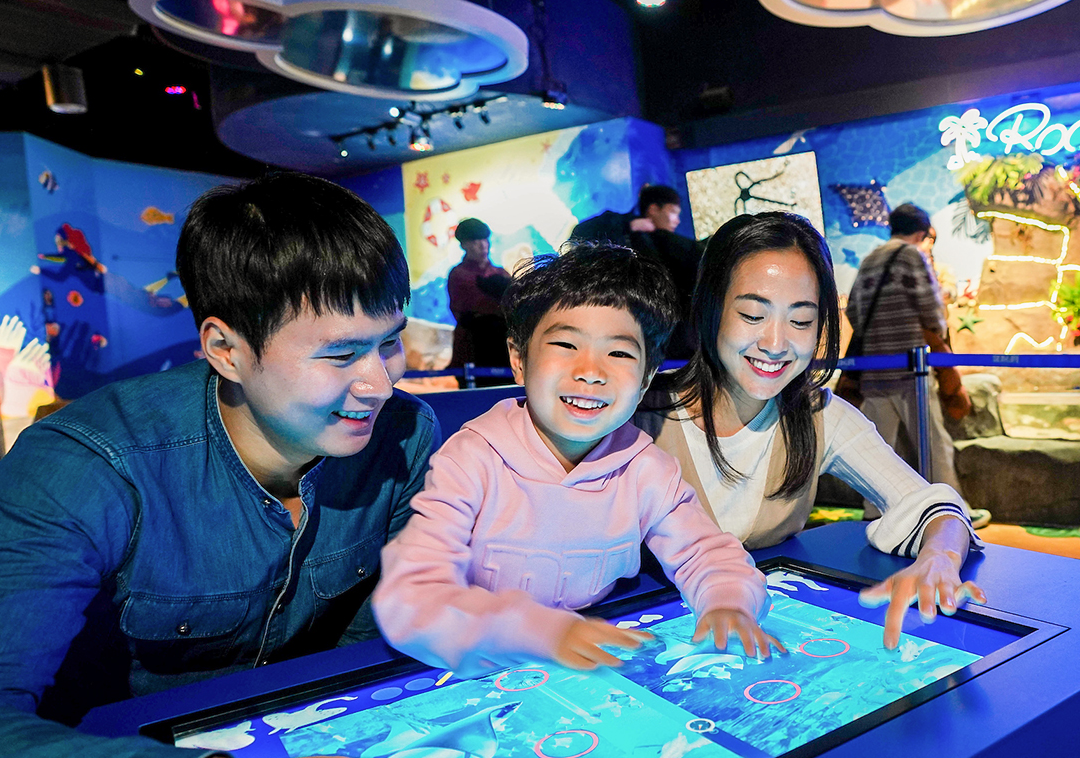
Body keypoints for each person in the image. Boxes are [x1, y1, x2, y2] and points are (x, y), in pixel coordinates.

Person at [0, 173, 451, 758]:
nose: (380, 383)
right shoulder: (89, 462)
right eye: (340, 354)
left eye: (389, 343)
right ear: (225, 349)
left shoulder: (404, 436)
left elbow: (381, 635)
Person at [375, 244, 780, 675]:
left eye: (620, 353)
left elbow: (705, 553)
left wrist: (728, 603)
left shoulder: (646, 468)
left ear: (645, 379)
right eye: (566, 344)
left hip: (591, 657)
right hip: (478, 660)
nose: (590, 370)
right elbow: (411, 595)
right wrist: (542, 633)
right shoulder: (472, 458)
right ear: (519, 358)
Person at [637, 212, 987, 650]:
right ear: (709, 307)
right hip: (648, 642)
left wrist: (940, 558)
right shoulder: (639, 418)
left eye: (801, 321)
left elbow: (931, 505)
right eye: (752, 314)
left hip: (766, 643)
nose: (775, 343)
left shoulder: (818, 414)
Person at [846, 203, 986, 527]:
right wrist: (935, 332)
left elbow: (853, 311)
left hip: (874, 370)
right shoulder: (912, 256)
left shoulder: (869, 260)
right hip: (912, 370)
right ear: (922, 233)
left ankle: (874, 511)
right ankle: (952, 511)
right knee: (934, 444)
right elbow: (932, 308)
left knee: (877, 448)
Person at [569, 183, 699, 360]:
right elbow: (580, 234)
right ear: (653, 209)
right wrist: (628, 225)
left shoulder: (670, 244)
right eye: (673, 212)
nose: (677, 220)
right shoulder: (623, 229)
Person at [445, 217, 511, 376]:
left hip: (502, 345)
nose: (482, 245)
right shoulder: (458, 275)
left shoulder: (500, 273)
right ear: (464, 245)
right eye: (475, 241)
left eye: (485, 240)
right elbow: (462, 310)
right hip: (471, 345)